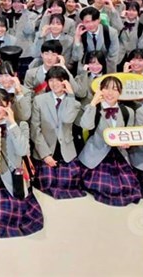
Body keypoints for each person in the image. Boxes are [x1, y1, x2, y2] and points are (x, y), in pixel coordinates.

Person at [0, 88, 44, 238]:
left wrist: (12, 123)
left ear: (8, 105)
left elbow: (23, 151)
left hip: (13, 177)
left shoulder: (20, 125)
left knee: (11, 213)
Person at [78, 76, 141, 206]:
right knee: (103, 186)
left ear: (120, 92)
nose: (110, 93)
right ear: (100, 90)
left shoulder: (127, 111)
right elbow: (85, 125)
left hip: (119, 153)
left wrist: (128, 143)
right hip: (97, 151)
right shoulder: (93, 108)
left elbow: (129, 133)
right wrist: (93, 103)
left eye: (115, 89)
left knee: (127, 187)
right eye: (106, 88)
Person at [30, 66, 86, 199]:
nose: (54, 84)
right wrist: (45, 155)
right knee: (47, 183)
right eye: (51, 80)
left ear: (65, 82)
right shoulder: (39, 100)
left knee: (69, 184)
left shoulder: (74, 102)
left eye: (58, 80)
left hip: (66, 149)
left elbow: (67, 119)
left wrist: (71, 95)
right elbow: (35, 130)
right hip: (45, 149)